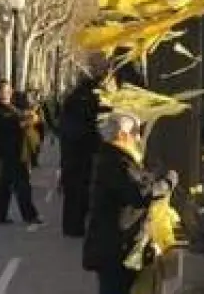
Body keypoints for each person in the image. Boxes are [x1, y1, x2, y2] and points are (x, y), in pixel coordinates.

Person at [82, 112, 171, 294]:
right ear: (122, 135)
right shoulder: (115, 161)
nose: (139, 138)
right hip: (114, 248)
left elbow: (135, 184)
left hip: (117, 244)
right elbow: (137, 196)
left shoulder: (116, 157)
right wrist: (167, 183)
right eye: (136, 132)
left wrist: (151, 177)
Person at [0, 80, 43, 226]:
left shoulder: (11, 106)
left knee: (5, 184)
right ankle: (30, 215)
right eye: (4, 91)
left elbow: (20, 114)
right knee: (22, 183)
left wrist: (30, 114)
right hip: (10, 151)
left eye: (9, 90)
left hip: (17, 149)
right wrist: (26, 122)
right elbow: (10, 124)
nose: (7, 93)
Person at [59, 74, 102, 237]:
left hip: (68, 150)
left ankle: (69, 226)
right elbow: (93, 122)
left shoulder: (72, 100)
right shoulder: (89, 101)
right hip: (82, 150)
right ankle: (76, 227)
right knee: (81, 190)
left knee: (71, 191)